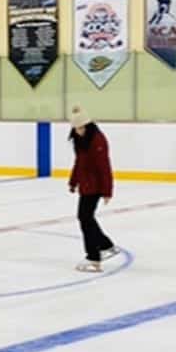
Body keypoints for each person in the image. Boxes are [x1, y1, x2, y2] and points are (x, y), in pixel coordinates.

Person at [67, 105, 119, 272]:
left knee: (84, 217)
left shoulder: (97, 140)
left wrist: (107, 191)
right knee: (86, 217)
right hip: (85, 185)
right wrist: (73, 181)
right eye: (76, 128)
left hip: (95, 186)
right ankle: (105, 245)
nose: (78, 131)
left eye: (81, 128)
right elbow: (79, 162)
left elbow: (104, 167)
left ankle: (94, 257)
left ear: (88, 126)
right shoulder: (78, 139)